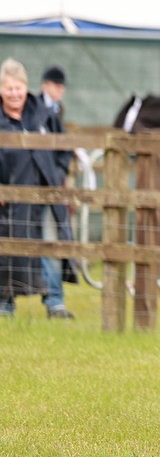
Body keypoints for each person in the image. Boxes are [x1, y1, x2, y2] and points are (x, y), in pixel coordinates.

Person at [0, 59, 73, 318]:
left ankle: (55, 302)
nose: (14, 94)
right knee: (8, 249)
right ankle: (5, 304)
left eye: (18, 88)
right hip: (11, 199)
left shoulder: (43, 114)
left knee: (51, 247)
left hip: (46, 197)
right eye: (8, 88)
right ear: (1, 90)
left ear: (26, 87)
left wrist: (57, 175)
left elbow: (64, 149)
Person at [38, 66, 79, 309]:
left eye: (61, 86)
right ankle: (52, 297)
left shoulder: (56, 110)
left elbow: (63, 149)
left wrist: (58, 172)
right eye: (55, 85)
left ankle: (53, 297)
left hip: (52, 183)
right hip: (34, 181)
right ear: (46, 85)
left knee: (52, 241)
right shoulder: (37, 110)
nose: (59, 90)